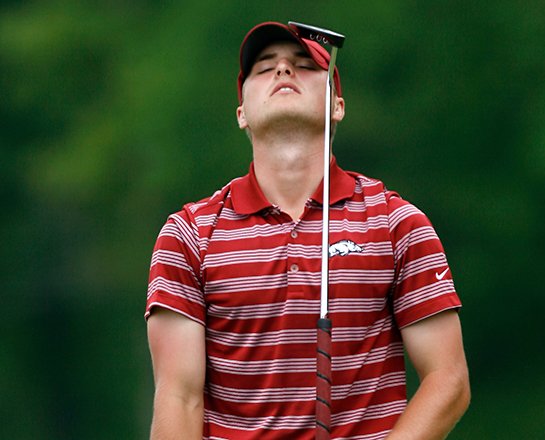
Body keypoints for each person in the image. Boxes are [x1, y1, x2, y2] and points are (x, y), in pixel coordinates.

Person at [146, 21, 470, 440]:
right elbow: (178, 397)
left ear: (336, 104)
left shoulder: (396, 223)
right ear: (241, 112)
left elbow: (448, 380)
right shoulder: (188, 235)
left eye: (303, 64)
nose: (282, 71)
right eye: (264, 68)